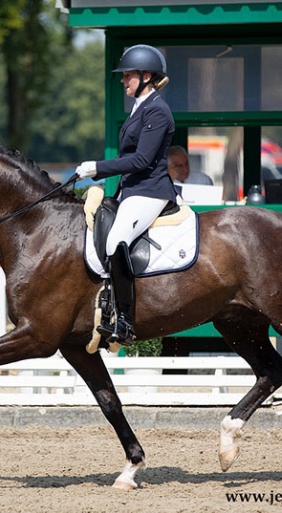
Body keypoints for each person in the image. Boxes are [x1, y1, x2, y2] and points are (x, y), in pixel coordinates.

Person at [75, 44, 176, 345]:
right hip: (133, 189)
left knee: (117, 238)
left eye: (128, 75)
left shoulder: (157, 110)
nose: (124, 81)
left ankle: (127, 322)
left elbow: (142, 160)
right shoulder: (140, 107)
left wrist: (98, 167)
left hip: (150, 189)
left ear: (146, 76)